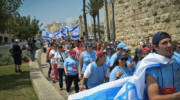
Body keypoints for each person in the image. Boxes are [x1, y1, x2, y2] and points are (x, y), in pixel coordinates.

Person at [145, 32, 180, 100]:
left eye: (170, 41)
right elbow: (154, 98)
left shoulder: (176, 60)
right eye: (164, 43)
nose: (169, 45)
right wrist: (177, 96)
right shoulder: (151, 67)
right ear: (155, 47)